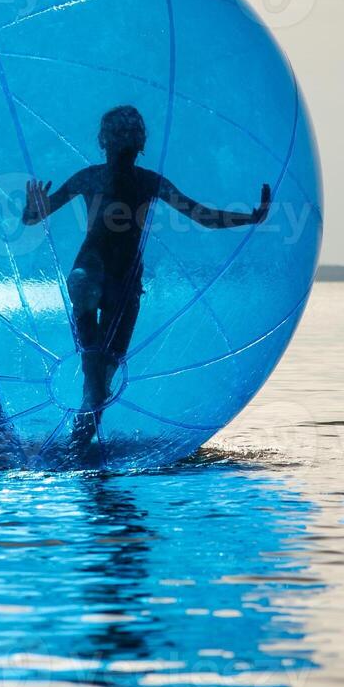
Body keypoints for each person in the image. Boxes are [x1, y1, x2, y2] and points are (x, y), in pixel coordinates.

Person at [22, 105, 271, 457]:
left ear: (136, 144)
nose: (122, 143)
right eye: (117, 136)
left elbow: (202, 217)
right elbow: (35, 219)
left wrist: (249, 217)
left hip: (123, 288)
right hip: (94, 275)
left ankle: (75, 449)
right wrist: (31, 206)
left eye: (127, 137)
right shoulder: (93, 178)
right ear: (107, 142)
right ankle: (76, 449)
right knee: (95, 369)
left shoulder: (146, 182)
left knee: (99, 382)